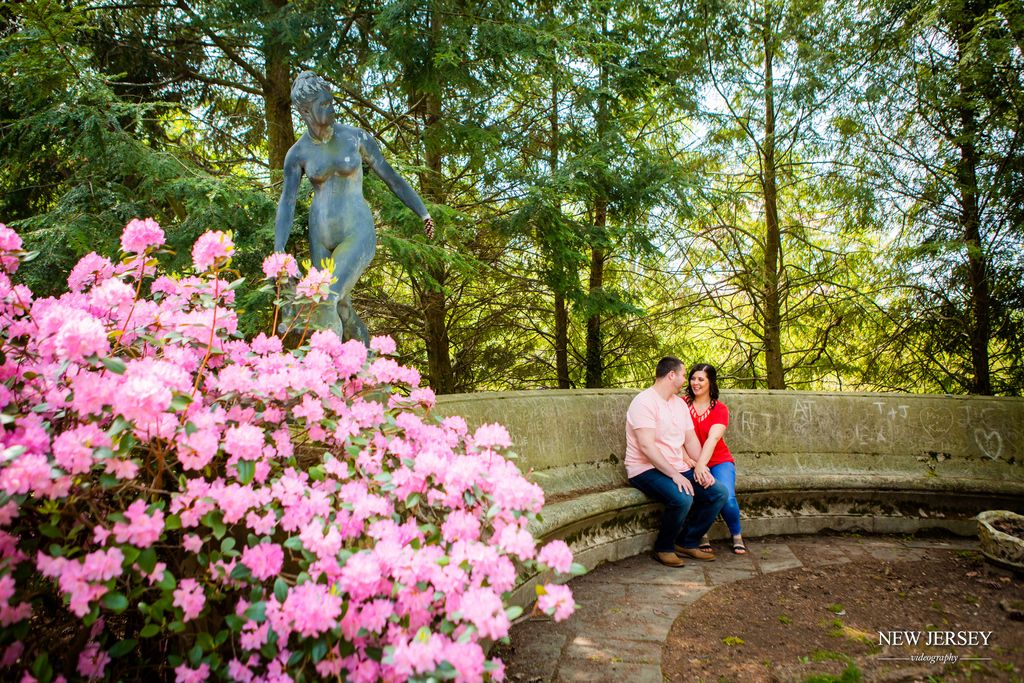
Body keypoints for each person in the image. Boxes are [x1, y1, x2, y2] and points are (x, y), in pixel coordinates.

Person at [274, 71, 434, 345]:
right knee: (341, 308)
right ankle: (366, 368)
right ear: (305, 111)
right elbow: (287, 202)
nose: (332, 110)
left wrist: (423, 212)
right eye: (323, 106)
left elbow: (392, 178)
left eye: (331, 102)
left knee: (325, 300)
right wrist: (279, 250)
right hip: (320, 238)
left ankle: (328, 376)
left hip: (356, 232)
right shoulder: (298, 153)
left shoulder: (355, 138)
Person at [625, 357, 728, 567]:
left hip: (677, 466)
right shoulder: (644, 402)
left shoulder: (679, 404)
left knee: (718, 492)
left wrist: (701, 467)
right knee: (682, 497)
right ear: (671, 375)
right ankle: (664, 548)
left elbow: (689, 439)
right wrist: (674, 474)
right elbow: (647, 446)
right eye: (683, 375)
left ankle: (688, 542)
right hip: (645, 469)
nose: (685, 380)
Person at [684, 363, 746, 554]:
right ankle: (701, 534)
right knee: (697, 495)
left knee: (726, 496)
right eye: (693, 378)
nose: (696, 382)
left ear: (710, 382)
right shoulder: (682, 404)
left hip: (718, 460)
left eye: (701, 379)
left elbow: (714, 438)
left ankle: (736, 535)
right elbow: (673, 434)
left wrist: (702, 465)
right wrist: (687, 458)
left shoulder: (719, 409)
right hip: (690, 460)